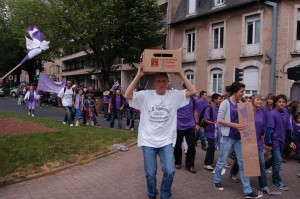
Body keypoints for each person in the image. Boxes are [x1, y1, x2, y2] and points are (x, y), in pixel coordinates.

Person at [125, 64, 196, 199]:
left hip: (166, 141)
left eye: (164, 81)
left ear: (168, 82)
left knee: (170, 171)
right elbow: (128, 95)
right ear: (154, 82)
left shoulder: (174, 95)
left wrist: (180, 74)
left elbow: (192, 91)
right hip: (148, 140)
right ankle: (152, 194)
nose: (161, 83)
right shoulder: (146, 95)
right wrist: (139, 75)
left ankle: (165, 194)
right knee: (150, 174)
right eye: (159, 81)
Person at [213, 82, 261, 199]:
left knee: (243, 164)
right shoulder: (225, 103)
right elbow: (219, 120)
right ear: (235, 91)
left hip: (239, 138)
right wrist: (233, 125)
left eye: (243, 92)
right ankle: (217, 180)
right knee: (222, 160)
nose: (243, 94)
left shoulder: (241, 103)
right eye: (241, 92)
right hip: (228, 137)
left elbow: (246, 120)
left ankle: (248, 191)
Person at [229, 95, 272, 195]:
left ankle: (263, 185)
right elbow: (237, 123)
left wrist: (264, 142)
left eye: (261, 99)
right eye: (257, 99)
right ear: (252, 101)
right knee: (243, 160)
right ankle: (232, 173)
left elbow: (263, 130)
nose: (260, 101)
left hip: (258, 142)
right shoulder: (244, 111)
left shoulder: (262, 113)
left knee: (261, 163)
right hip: (246, 141)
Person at [265, 94, 296, 191]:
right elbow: (269, 130)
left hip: (282, 141)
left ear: (285, 103)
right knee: (278, 160)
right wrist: (269, 144)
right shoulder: (272, 114)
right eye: (279, 101)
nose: (281, 103)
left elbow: (288, 129)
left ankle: (261, 168)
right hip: (275, 141)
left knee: (275, 158)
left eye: (283, 102)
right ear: (276, 103)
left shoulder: (286, 114)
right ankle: (276, 180)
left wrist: (291, 141)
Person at [174, 84, 199, 174]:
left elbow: (195, 111)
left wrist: (196, 123)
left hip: (190, 125)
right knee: (177, 145)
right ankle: (177, 162)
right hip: (178, 125)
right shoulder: (178, 99)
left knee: (192, 145)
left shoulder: (193, 99)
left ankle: (190, 165)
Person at [203, 93, 222, 171]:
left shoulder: (218, 108)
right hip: (210, 131)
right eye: (219, 99)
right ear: (214, 99)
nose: (220, 100)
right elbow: (205, 119)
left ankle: (209, 162)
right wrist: (213, 123)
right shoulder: (209, 108)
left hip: (216, 132)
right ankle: (207, 164)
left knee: (213, 147)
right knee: (211, 147)